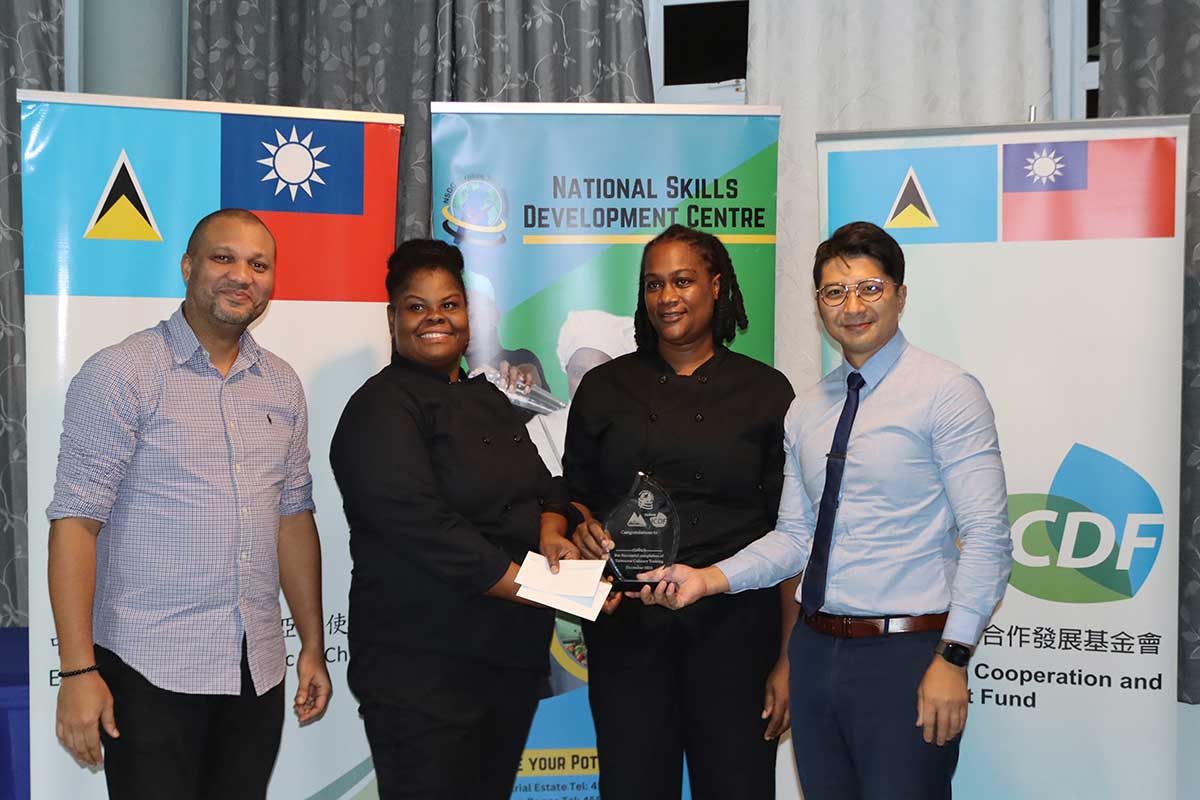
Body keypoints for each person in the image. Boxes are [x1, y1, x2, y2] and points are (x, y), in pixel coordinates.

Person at [640, 221, 1013, 800]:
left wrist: (953, 657)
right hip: (815, 655)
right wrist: (707, 579)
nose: (852, 306)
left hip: (908, 656)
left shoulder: (948, 392)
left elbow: (988, 537)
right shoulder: (808, 408)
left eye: (869, 288)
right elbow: (794, 537)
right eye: (834, 292)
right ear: (818, 305)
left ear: (900, 294)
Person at [47, 208, 331, 798]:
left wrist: (311, 645)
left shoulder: (281, 383)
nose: (241, 276)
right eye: (222, 258)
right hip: (148, 668)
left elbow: (293, 517)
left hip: (258, 670)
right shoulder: (122, 373)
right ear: (187, 267)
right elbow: (76, 524)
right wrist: (77, 671)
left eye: (259, 264)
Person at [544, 224, 797, 799]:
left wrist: (787, 658)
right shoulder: (606, 387)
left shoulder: (766, 392)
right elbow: (576, 495)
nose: (666, 297)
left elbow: (790, 536)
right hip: (629, 633)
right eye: (653, 284)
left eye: (682, 281)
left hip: (735, 631)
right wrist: (578, 530)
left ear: (716, 285)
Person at [329, 239, 581, 799]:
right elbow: (429, 530)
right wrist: (556, 590)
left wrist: (552, 528)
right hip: (422, 672)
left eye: (449, 304)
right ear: (392, 318)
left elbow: (547, 487)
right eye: (417, 306)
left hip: (505, 662)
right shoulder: (379, 409)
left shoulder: (487, 398)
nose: (435, 318)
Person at [527, 308, 637, 475]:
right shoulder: (541, 429)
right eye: (578, 373)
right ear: (567, 371)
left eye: (599, 374)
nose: (588, 384)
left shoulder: (639, 428)